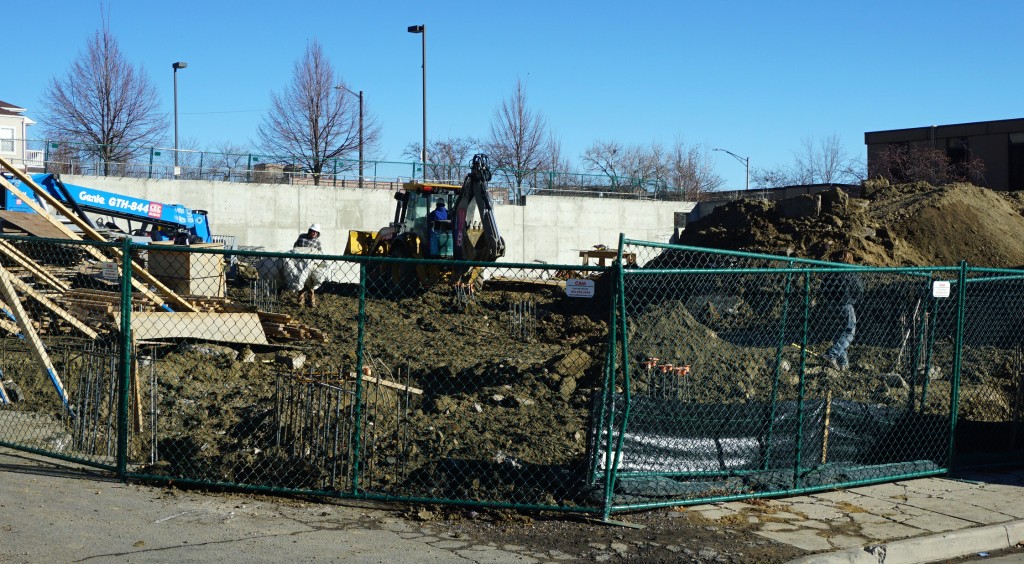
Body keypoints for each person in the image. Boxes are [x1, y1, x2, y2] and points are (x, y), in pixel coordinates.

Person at [821, 250, 864, 371]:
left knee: (839, 334)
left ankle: (843, 363)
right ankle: (832, 354)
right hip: (845, 304)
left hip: (830, 305)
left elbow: (822, 287)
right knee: (849, 331)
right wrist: (855, 298)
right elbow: (859, 288)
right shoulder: (849, 271)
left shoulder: (830, 270)